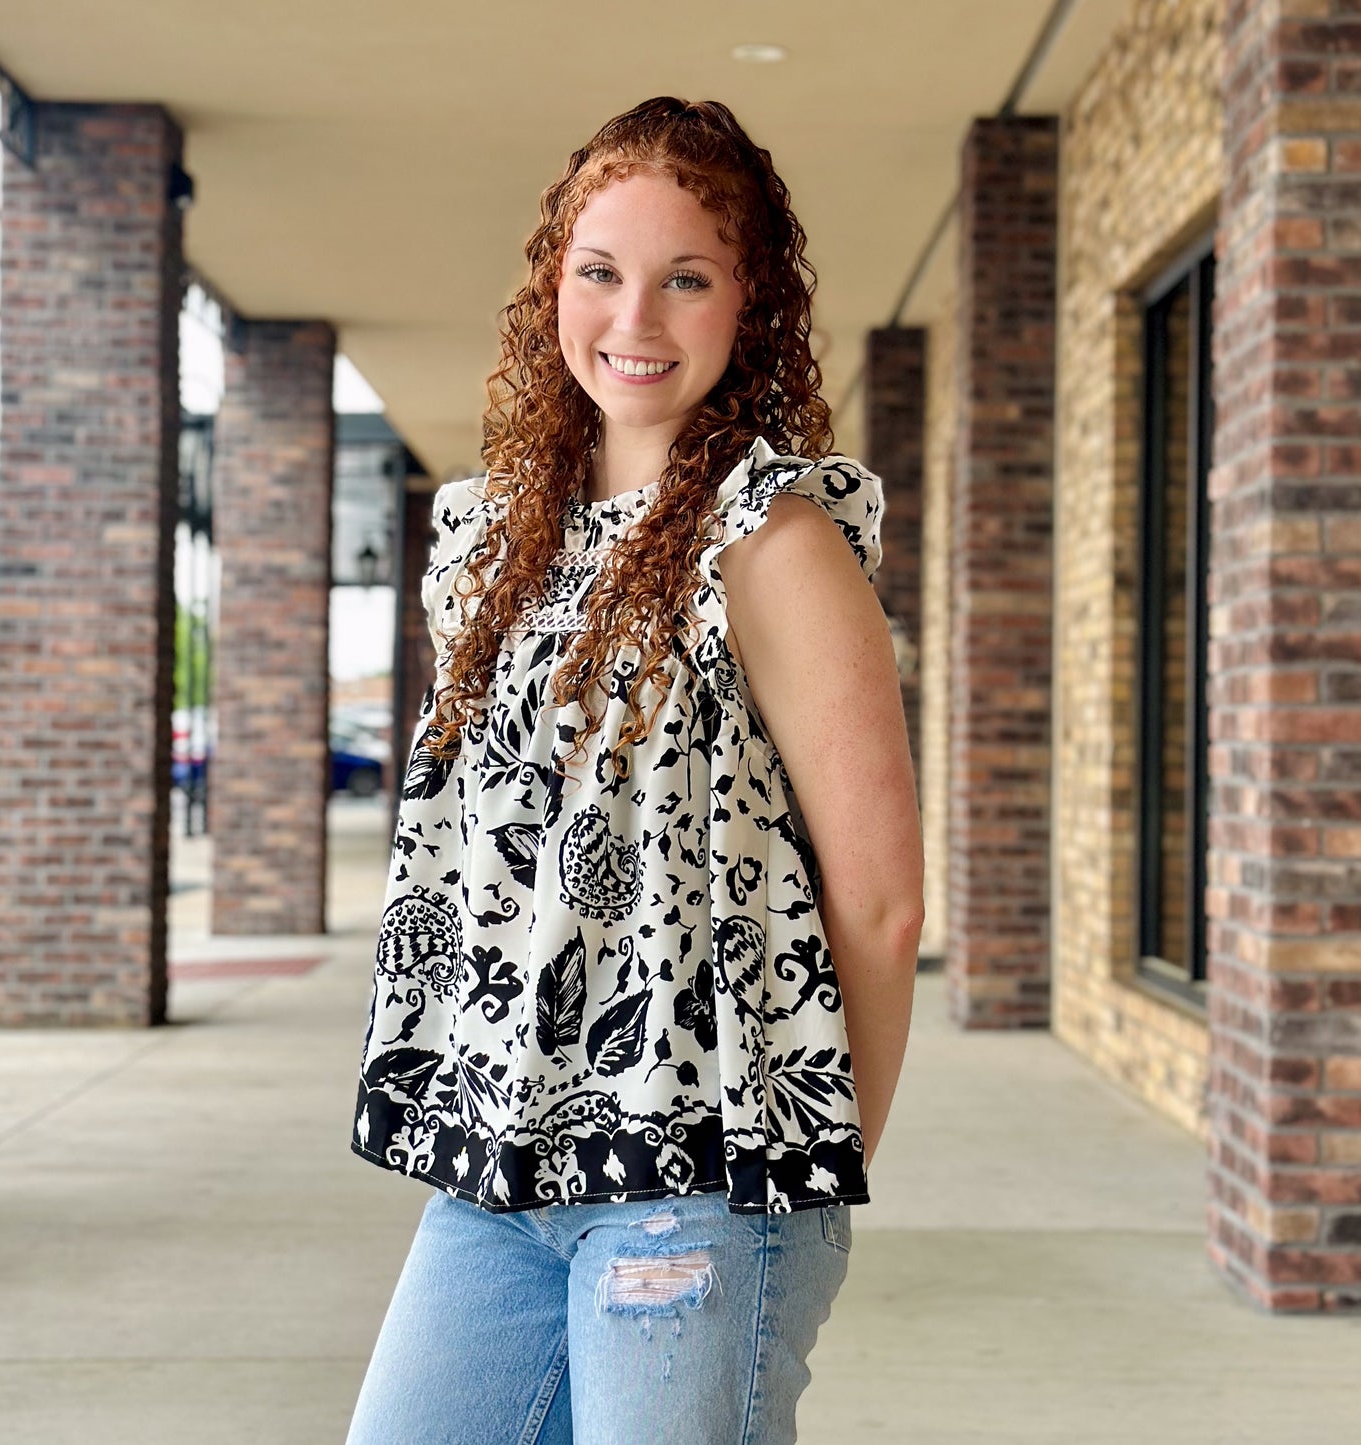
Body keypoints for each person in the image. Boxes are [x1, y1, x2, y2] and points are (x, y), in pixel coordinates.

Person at [345, 96, 924, 1445]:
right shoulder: (494, 544)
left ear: (750, 307)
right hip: (496, 1176)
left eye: (687, 278)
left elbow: (882, 903)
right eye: (600, 271)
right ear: (554, 282)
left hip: (700, 1182)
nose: (635, 319)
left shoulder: (771, 544)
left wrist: (797, 1186)